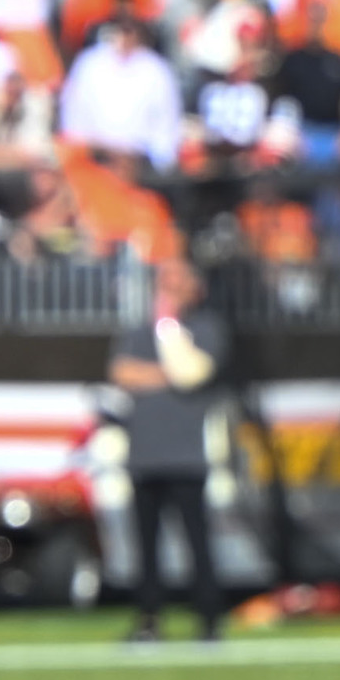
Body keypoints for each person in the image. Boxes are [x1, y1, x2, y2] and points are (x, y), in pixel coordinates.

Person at [109, 258, 232, 642]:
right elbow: (122, 372)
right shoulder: (138, 332)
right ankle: (149, 620)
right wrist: (164, 373)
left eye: (177, 282)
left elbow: (192, 372)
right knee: (146, 545)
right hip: (144, 455)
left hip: (186, 458)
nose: (168, 289)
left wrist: (167, 332)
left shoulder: (207, 329)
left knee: (197, 541)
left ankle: (209, 620)